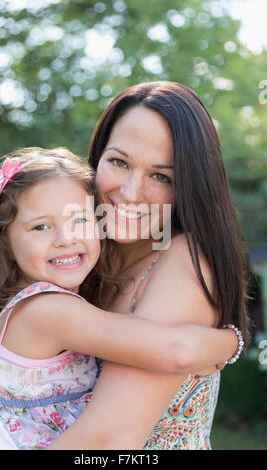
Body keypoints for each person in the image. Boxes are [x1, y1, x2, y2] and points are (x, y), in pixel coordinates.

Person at [0, 147, 240, 450]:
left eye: (80, 220)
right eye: (41, 226)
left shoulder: (36, 304)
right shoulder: (48, 309)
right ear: (4, 241)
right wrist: (233, 341)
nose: (66, 238)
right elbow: (173, 351)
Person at [46, 81, 250, 450]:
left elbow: (107, 440)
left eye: (161, 176)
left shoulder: (183, 261)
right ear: (97, 157)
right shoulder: (75, 254)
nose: (130, 193)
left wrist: (231, 343)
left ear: (189, 187)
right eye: (119, 162)